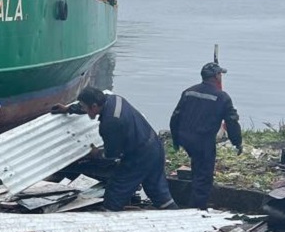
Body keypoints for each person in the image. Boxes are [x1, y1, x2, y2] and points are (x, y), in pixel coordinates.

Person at [52, 86, 179, 212]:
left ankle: (108, 217)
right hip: (154, 146)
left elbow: (111, 154)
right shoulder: (114, 99)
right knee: (157, 191)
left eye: (85, 108)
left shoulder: (110, 123)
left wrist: (96, 153)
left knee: (117, 190)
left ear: (94, 106)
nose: (84, 110)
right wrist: (68, 109)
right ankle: (178, 216)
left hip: (139, 157)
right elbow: (87, 105)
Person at [169, 62, 243, 209]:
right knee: (203, 178)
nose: (221, 77)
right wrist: (237, 142)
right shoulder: (222, 97)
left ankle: (191, 199)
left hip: (185, 138)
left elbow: (175, 117)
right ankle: (196, 210)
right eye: (220, 74)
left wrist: (176, 139)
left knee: (197, 166)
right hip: (202, 141)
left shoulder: (189, 92)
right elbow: (232, 122)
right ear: (216, 76)